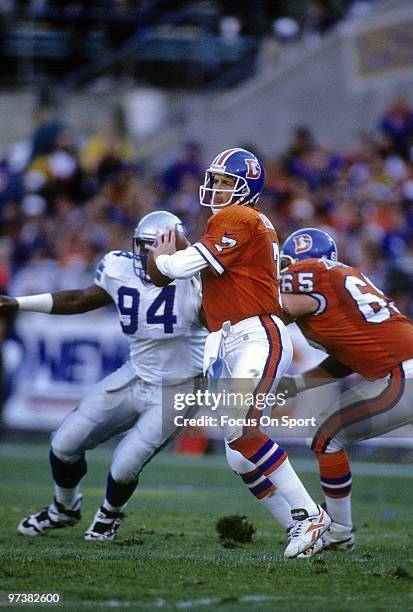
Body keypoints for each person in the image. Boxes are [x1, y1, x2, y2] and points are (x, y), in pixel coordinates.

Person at [148, 147, 331, 558]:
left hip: (254, 334)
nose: (215, 188)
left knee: (244, 431)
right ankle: (298, 529)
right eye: (214, 179)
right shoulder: (240, 222)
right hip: (229, 338)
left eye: (226, 182)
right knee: (238, 454)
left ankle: (309, 515)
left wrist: (163, 258)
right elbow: (205, 292)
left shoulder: (239, 217)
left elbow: (176, 268)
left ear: (246, 189)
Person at [0, 211, 207, 541]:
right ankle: (63, 508)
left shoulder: (196, 279)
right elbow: (80, 299)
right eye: (145, 246)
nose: (151, 255)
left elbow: (220, 318)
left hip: (180, 386)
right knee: (64, 444)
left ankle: (109, 515)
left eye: (159, 247)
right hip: (135, 375)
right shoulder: (118, 266)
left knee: (125, 464)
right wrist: (18, 303)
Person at [278, 227, 413, 554]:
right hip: (403, 371)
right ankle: (340, 531)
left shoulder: (313, 274)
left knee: (328, 437)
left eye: (291, 266)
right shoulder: (341, 282)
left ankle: (339, 532)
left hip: (405, 375)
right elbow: (348, 358)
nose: (287, 273)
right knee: (328, 436)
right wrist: (297, 384)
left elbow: (274, 312)